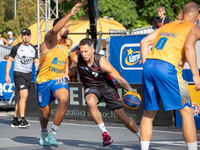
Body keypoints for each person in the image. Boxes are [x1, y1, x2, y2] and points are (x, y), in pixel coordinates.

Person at [140, 2, 200, 150]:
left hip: (149, 65)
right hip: (168, 68)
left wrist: (148, 65)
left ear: (182, 13)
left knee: (149, 112)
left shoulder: (167, 25)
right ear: (198, 16)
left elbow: (144, 41)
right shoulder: (194, 28)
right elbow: (188, 46)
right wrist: (196, 75)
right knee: (187, 111)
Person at [69, 38, 140, 147]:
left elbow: (119, 79)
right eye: (82, 51)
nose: (83, 54)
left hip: (107, 88)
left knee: (123, 118)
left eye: (86, 51)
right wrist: (65, 72)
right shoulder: (76, 57)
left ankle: (141, 137)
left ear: (93, 50)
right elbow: (66, 56)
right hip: (91, 87)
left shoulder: (102, 62)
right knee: (90, 102)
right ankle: (105, 134)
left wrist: (131, 90)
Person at [36, 3, 81, 147]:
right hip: (43, 80)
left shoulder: (69, 42)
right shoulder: (49, 40)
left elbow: (66, 57)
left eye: (68, 26)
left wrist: (66, 72)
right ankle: (44, 131)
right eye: (65, 26)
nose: (67, 28)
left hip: (57, 79)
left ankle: (53, 133)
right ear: (58, 28)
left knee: (64, 98)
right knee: (45, 114)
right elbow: (54, 30)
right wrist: (69, 14)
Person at [5, 28, 39, 128]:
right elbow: (10, 61)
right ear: (21, 36)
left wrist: (39, 73)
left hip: (28, 74)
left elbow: (36, 63)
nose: (26, 37)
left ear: (30, 36)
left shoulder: (33, 49)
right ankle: (22, 119)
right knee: (24, 95)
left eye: (27, 35)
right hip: (18, 73)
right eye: (24, 35)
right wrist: (7, 74)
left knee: (21, 97)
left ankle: (15, 119)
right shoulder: (16, 47)